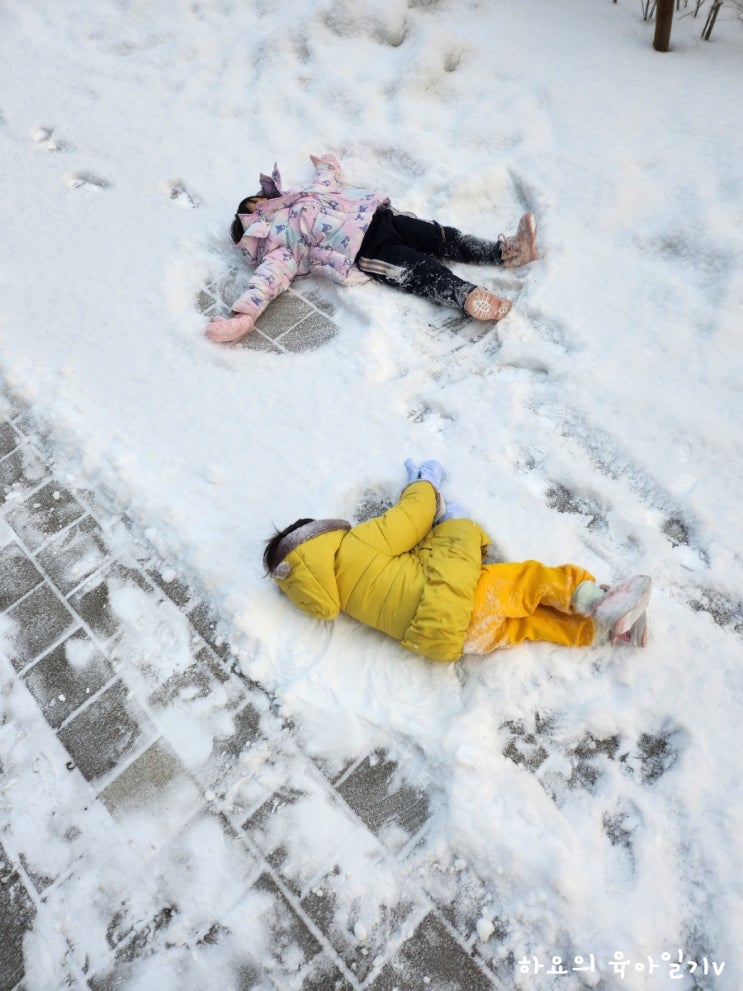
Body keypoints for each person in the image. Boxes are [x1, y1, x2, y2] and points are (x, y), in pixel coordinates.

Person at [262, 460, 651, 663]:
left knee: (529, 624)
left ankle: (607, 632)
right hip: (455, 600)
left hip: (453, 640)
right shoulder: (353, 545)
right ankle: (597, 602)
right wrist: (423, 485)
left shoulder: (338, 599)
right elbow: (412, 518)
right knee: (528, 581)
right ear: (319, 535)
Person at [206, 154, 538, 343]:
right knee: (419, 271)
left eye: (260, 199)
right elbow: (265, 283)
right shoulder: (278, 249)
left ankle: (504, 251)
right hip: (366, 251)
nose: (263, 203)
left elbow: (325, 183)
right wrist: (244, 317)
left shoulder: (303, 196)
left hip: (383, 219)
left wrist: (327, 167)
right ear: (252, 226)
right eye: (255, 208)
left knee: (442, 236)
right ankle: (469, 297)